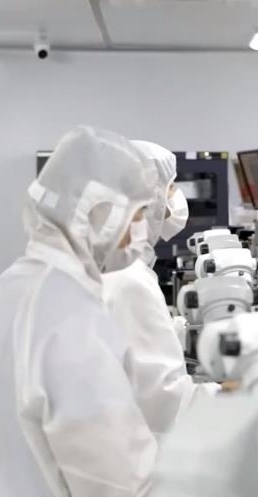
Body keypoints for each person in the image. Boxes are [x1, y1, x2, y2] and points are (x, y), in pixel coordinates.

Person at [0, 126, 162, 497]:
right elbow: (124, 490)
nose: (139, 232)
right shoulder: (69, 310)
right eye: (136, 216)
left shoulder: (16, 283)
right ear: (100, 213)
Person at [101, 140, 216, 436]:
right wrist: (236, 396)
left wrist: (182, 330)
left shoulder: (119, 266)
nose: (176, 197)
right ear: (148, 200)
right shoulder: (128, 277)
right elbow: (165, 402)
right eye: (171, 187)